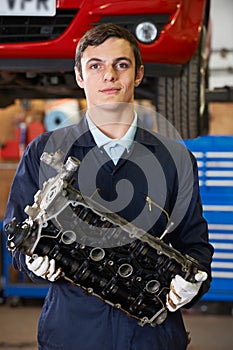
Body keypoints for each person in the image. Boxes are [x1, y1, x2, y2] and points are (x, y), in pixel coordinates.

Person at [4, 23, 214, 350]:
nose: (109, 76)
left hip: (152, 336)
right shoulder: (44, 152)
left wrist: (193, 283)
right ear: (79, 76)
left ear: (139, 74)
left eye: (121, 65)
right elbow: (15, 235)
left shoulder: (176, 159)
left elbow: (196, 246)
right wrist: (30, 260)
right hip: (72, 334)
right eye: (95, 65)